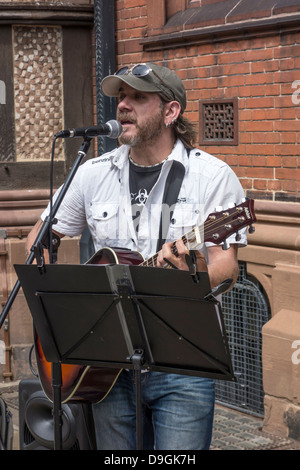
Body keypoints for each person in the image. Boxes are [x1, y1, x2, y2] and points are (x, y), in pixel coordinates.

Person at [26, 62, 248, 450]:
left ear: (170, 112)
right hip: (106, 363)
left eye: (137, 97)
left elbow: (226, 269)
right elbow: (40, 239)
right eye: (120, 98)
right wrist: (69, 308)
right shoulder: (92, 173)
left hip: (182, 363)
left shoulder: (211, 177)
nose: (123, 105)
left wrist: (191, 272)